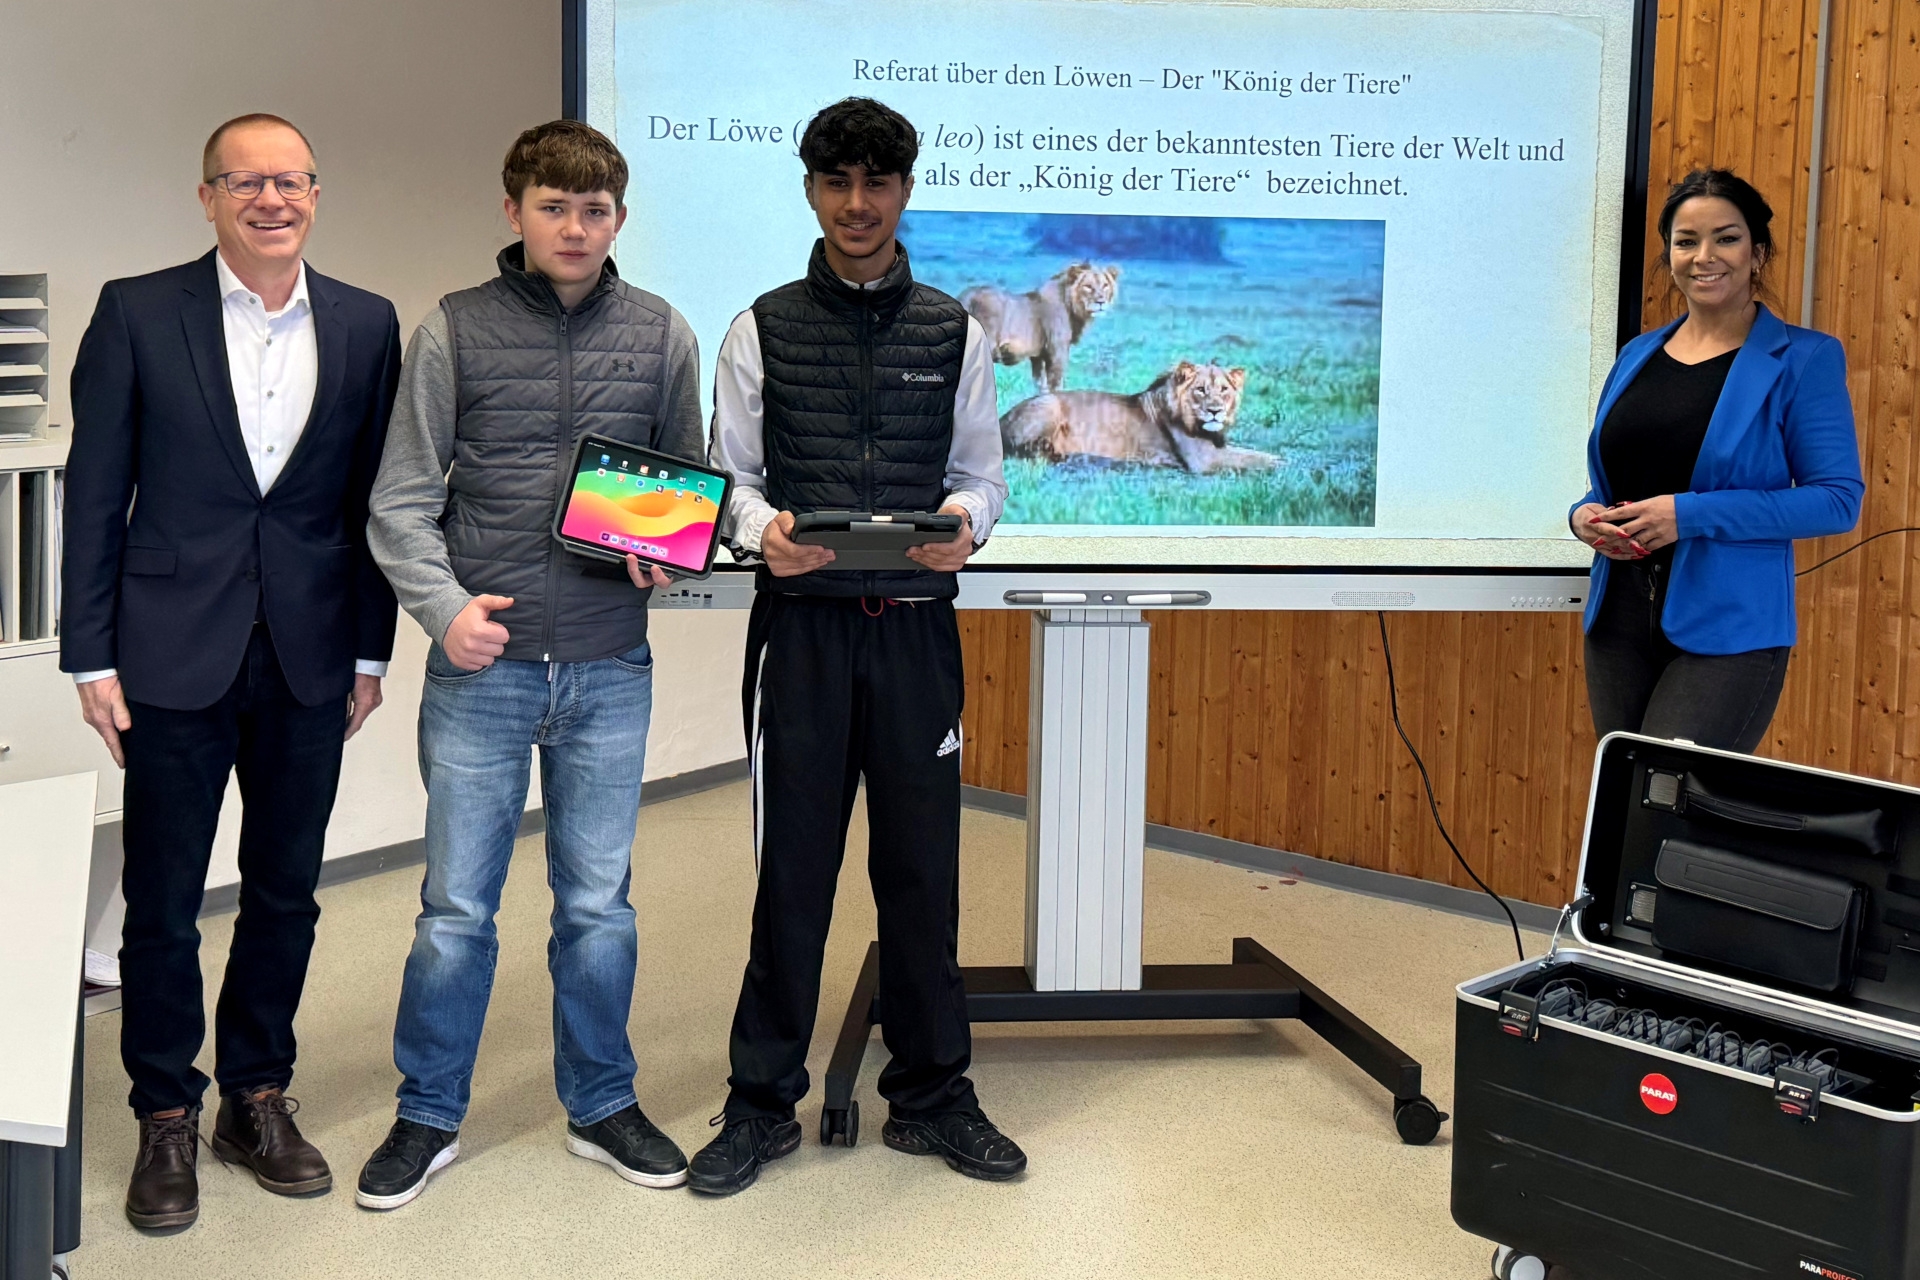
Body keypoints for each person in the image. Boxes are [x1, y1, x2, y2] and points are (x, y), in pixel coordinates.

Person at [62, 113, 402, 1229]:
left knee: (285, 891)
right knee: (162, 901)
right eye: (245, 182)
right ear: (206, 196)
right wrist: (90, 652)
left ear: (316, 194)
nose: (271, 200)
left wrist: (369, 648)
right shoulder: (136, 310)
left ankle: (255, 1096)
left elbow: (371, 502)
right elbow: (95, 491)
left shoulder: (366, 322)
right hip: (167, 650)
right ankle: (165, 1109)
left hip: (310, 652)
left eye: (290, 181)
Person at [359, 120, 703, 1210]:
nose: (575, 226)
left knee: (598, 905)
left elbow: (685, 484)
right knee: (456, 909)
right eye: (554, 206)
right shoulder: (453, 329)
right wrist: (445, 613)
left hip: (610, 665)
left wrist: (664, 551)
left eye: (595, 209)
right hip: (485, 668)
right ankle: (428, 1113)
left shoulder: (662, 332)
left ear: (619, 219)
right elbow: (400, 501)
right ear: (514, 212)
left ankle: (602, 1102)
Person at [689, 97, 1022, 1197]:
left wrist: (965, 524)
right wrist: (761, 534)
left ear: (905, 191)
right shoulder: (761, 328)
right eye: (837, 182)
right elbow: (732, 480)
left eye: (877, 182)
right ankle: (759, 1104)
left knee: (922, 877)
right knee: (792, 878)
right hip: (804, 638)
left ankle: (933, 1095)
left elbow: (981, 476)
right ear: (811, 190)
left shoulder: (955, 332)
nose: (857, 203)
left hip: (918, 634)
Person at [1570, 169, 1863, 750]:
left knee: (1670, 797)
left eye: (1726, 238)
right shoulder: (1637, 354)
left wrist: (1688, 515)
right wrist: (1584, 515)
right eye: (1686, 241)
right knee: (1622, 797)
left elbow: (1836, 501)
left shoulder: (1805, 358)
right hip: (1617, 622)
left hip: (1730, 631)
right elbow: (1612, 478)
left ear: (1758, 253)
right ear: (1670, 256)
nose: (1704, 257)